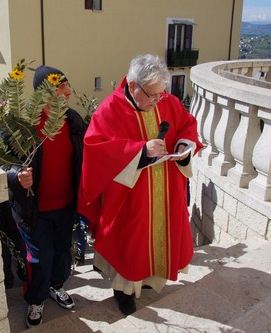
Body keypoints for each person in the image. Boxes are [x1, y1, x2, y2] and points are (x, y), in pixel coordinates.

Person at [78, 54, 204, 316]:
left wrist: (182, 145)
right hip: (130, 197)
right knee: (130, 244)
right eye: (152, 95)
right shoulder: (110, 109)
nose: (159, 101)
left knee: (158, 237)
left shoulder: (164, 99)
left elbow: (186, 126)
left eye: (161, 94)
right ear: (133, 85)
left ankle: (147, 281)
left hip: (165, 192)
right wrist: (139, 151)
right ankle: (123, 291)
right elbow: (95, 150)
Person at [6, 65, 85, 328]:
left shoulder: (74, 121)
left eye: (66, 86)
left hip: (66, 205)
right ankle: (36, 299)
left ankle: (55, 286)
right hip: (33, 209)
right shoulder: (23, 124)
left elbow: (82, 159)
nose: (67, 92)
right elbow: (3, 162)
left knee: (63, 251)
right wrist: (17, 176)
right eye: (60, 88)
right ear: (43, 94)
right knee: (40, 257)